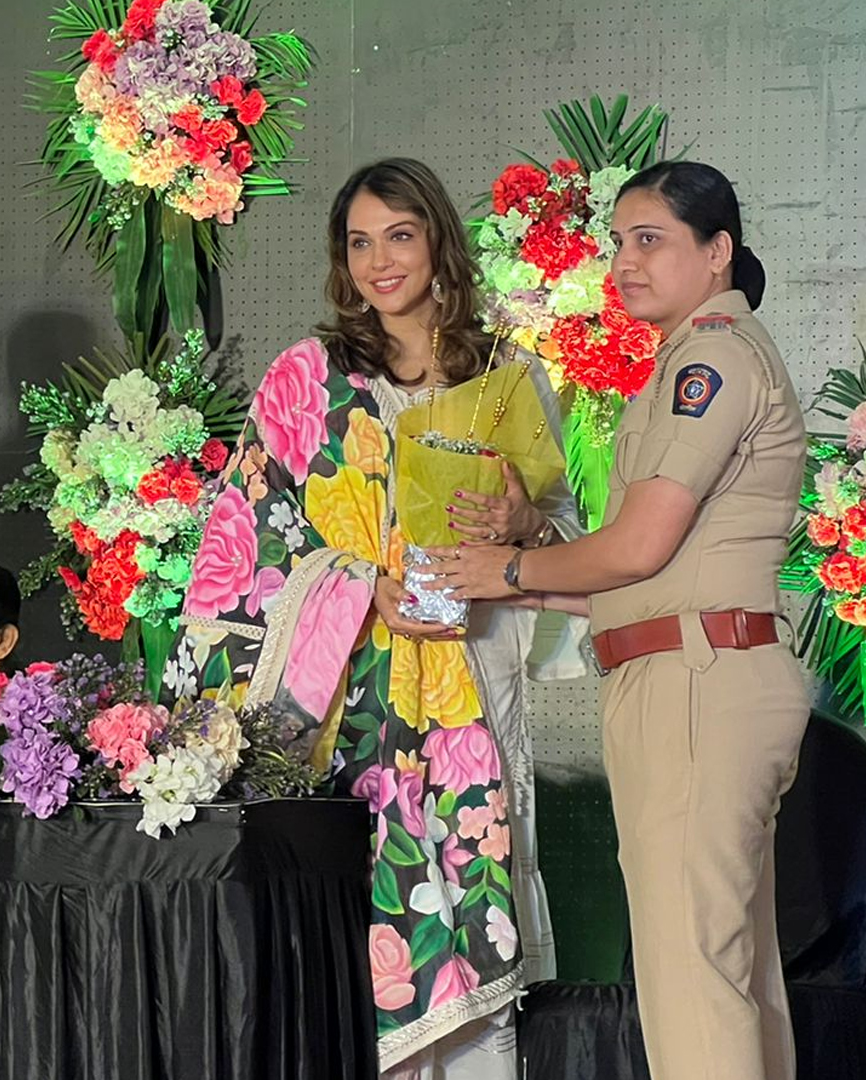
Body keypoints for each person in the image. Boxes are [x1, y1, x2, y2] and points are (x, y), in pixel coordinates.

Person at [169, 159, 579, 1078]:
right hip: (341, 710)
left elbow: (568, 543)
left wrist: (525, 526)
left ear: (437, 241)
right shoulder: (306, 380)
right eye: (359, 241)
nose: (379, 261)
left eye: (399, 235)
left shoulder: (508, 380)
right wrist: (359, 585)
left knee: (476, 911)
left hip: (473, 685)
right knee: (359, 935)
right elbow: (243, 545)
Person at [431, 161, 807, 1080]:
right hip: (699, 668)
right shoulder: (697, 355)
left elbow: (637, 548)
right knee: (730, 975)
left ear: (718, 253)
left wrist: (509, 565)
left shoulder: (710, 359)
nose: (625, 263)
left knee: (692, 978)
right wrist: (517, 569)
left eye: (652, 241)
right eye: (618, 244)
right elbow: (640, 579)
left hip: (695, 688)